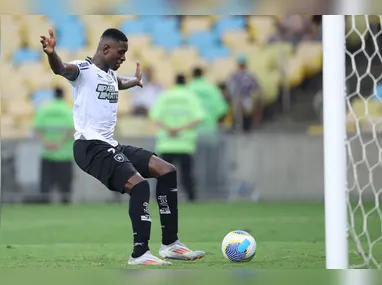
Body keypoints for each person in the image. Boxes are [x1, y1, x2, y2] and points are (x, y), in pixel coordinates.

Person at [40, 28, 205, 265]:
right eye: (121, 52)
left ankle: (171, 245)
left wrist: (134, 81)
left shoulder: (109, 76)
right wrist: (51, 53)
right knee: (139, 187)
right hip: (90, 147)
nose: (124, 57)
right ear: (105, 48)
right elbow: (61, 68)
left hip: (110, 145)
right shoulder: (83, 70)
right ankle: (140, 254)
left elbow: (118, 82)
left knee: (167, 170)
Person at [149, 74, 205, 202]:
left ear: (174, 82)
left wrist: (169, 129)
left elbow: (154, 117)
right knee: (187, 175)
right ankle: (191, 199)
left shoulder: (165, 96)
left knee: (163, 174)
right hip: (185, 144)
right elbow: (198, 118)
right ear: (185, 82)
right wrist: (180, 129)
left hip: (166, 143)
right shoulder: (191, 97)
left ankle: (161, 199)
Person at [33, 86, 74, 204]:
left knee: (46, 184)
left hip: (47, 153)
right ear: (63, 95)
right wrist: (58, 143)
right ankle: (65, 204)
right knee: (65, 186)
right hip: (64, 154)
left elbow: (37, 130)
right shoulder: (68, 109)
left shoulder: (44, 109)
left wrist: (47, 143)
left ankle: (44, 204)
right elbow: (71, 130)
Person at [227, 55, 263, 133]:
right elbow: (257, 88)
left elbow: (256, 88)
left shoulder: (237, 76)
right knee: (242, 115)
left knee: (242, 115)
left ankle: (242, 127)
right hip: (242, 99)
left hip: (244, 98)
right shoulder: (239, 76)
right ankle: (242, 127)